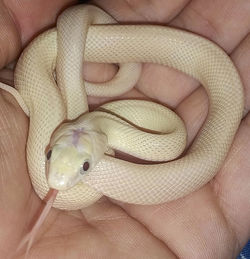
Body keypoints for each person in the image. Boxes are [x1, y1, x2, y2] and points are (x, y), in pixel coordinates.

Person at [0, 0, 249, 258]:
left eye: (85, 167)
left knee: (73, 24)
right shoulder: (88, 134)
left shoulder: (168, 138)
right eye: (50, 154)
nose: (55, 179)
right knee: (73, 23)